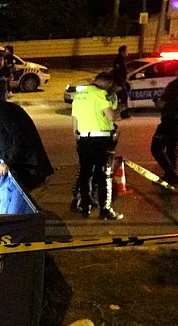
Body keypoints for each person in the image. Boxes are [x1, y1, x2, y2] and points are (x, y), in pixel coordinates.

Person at [0, 90, 54, 192]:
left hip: (32, 176)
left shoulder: (7, 113)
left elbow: (21, 140)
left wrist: (8, 163)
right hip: (23, 178)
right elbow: (4, 144)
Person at [70, 72, 123, 220]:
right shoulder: (101, 94)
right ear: (107, 82)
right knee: (104, 175)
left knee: (85, 174)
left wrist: (77, 135)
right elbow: (111, 116)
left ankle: (85, 207)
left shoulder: (80, 95)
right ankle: (105, 210)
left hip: (84, 139)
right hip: (102, 140)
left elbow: (74, 119)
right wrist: (120, 109)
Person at [112, 45, 131, 119]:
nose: (128, 52)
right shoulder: (118, 60)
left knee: (123, 97)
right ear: (123, 52)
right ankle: (123, 114)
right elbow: (118, 72)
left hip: (121, 82)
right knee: (123, 97)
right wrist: (120, 83)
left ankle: (123, 113)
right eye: (127, 50)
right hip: (119, 82)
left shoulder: (122, 59)